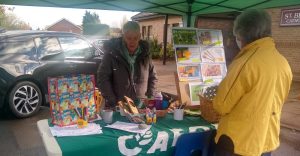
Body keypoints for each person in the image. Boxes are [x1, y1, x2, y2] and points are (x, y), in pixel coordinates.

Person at [213, 9, 293, 155]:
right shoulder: (283, 63)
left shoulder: (245, 63)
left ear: (243, 34)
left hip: (238, 142)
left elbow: (221, 105)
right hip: (266, 140)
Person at [97, 21, 158, 108]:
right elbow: (103, 78)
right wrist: (112, 100)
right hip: (118, 105)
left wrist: (150, 97)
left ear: (140, 36)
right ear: (123, 36)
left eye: (135, 38)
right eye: (128, 38)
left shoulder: (145, 55)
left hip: (141, 106)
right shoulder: (111, 54)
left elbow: (153, 77)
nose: (132, 41)